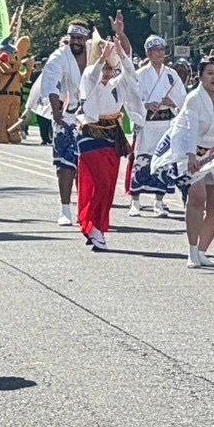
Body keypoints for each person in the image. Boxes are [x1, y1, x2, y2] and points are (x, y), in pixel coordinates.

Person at [154, 53, 214, 269]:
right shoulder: (194, 98)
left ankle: (203, 251)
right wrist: (191, 155)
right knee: (197, 197)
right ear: (200, 77)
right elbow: (188, 128)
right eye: (210, 73)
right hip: (192, 151)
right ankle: (192, 251)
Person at [73, 17, 139, 252]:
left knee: (109, 184)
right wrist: (101, 57)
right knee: (98, 182)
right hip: (91, 135)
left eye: (110, 68)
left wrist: (120, 44)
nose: (107, 73)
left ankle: (96, 225)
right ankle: (92, 223)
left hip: (112, 135)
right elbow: (91, 75)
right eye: (104, 68)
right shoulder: (89, 81)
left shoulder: (117, 85)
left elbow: (130, 74)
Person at [26, 23, 93, 225]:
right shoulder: (59, 56)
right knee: (65, 163)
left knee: (88, 163)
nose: (76, 42)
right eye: (72, 38)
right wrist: (56, 112)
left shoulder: (95, 52)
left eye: (79, 39)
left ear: (86, 39)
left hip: (91, 115)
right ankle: (65, 209)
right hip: (66, 114)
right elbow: (51, 84)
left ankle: (86, 208)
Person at [129, 35, 183, 218]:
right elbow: (132, 99)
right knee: (141, 160)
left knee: (163, 161)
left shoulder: (171, 74)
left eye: (162, 50)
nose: (160, 53)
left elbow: (182, 99)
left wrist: (172, 101)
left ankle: (159, 202)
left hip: (166, 122)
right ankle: (135, 201)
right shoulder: (140, 74)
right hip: (147, 123)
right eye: (156, 50)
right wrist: (146, 105)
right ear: (148, 53)